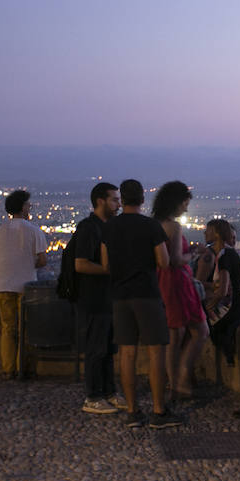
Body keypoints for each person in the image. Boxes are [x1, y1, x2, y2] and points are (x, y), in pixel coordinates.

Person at [101, 179, 179, 429]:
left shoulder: (110, 227)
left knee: (126, 353)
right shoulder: (150, 226)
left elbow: (105, 264)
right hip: (146, 294)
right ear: (143, 199)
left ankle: (133, 411)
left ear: (122, 200)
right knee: (156, 351)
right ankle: (158, 410)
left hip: (120, 295)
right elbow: (164, 261)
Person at [152, 181, 208, 399]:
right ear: (176, 203)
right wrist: (193, 255)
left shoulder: (155, 224)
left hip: (162, 283)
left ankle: (174, 383)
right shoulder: (173, 227)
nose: (186, 208)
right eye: (185, 204)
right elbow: (175, 260)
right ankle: (181, 380)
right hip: (177, 284)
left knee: (174, 336)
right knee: (200, 331)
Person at [72, 182, 122, 414]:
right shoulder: (88, 228)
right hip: (94, 298)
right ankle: (93, 396)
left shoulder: (109, 226)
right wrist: (109, 270)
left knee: (108, 348)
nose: (118, 203)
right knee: (95, 348)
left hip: (109, 298)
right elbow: (80, 264)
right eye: (114, 199)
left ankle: (109, 392)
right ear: (100, 201)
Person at [0, 189, 47, 378]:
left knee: (8, 328)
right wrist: (28, 263)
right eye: (28, 204)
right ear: (23, 207)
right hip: (26, 285)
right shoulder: (34, 230)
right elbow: (43, 260)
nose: (30, 207)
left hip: (2, 284)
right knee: (24, 328)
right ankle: (23, 367)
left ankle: (8, 369)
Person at [195, 218, 240, 366]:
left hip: (231, 309)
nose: (204, 233)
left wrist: (211, 305)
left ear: (216, 234)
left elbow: (222, 290)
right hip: (237, 307)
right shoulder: (226, 254)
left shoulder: (223, 256)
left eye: (208, 230)